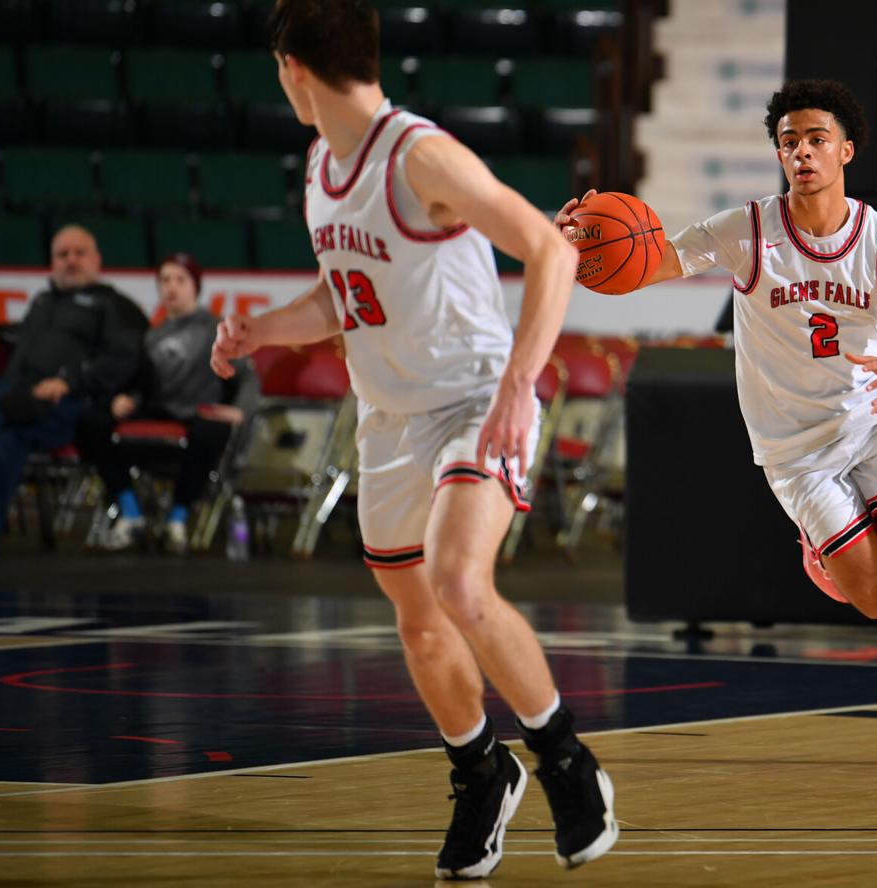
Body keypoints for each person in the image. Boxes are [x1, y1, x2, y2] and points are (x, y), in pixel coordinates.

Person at [209, 1, 615, 879]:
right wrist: (262, 330)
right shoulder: (323, 164)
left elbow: (550, 250)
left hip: (473, 398)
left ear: (294, 71)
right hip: (387, 418)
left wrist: (516, 386)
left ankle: (568, 763)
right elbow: (340, 297)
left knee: (460, 581)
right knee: (421, 626)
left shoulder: (417, 154)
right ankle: (481, 772)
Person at [557, 79, 877, 773]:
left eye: (816, 139)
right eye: (788, 141)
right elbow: (647, 264)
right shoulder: (748, 231)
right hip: (795, 451)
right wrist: (578, 246)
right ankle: (821, 548)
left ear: (845, 150)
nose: (801, 152)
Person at [75, 253, 257, 553]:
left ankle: (177, 518)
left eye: (180, 280)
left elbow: (248, 378)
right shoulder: (150, 335)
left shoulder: (217, 329)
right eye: (165, 280)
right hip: (158, 409)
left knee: (210, 432)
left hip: (198, 413)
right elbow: (141, 383)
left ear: (195, 286)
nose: (171, 287)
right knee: (91, 423)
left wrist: (240, 409)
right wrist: (129, 399)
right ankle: (130, 511)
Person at [0, 225, 143, 552]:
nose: (71, 261)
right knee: (4, 426)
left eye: (79, 253)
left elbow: (121, 360)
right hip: (15, 392)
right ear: (51, 262)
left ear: (97, 260)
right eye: (63, 255)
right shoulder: (42, 302)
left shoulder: (114, 305)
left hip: (67, 403)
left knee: (5, 439)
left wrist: (68, 383)